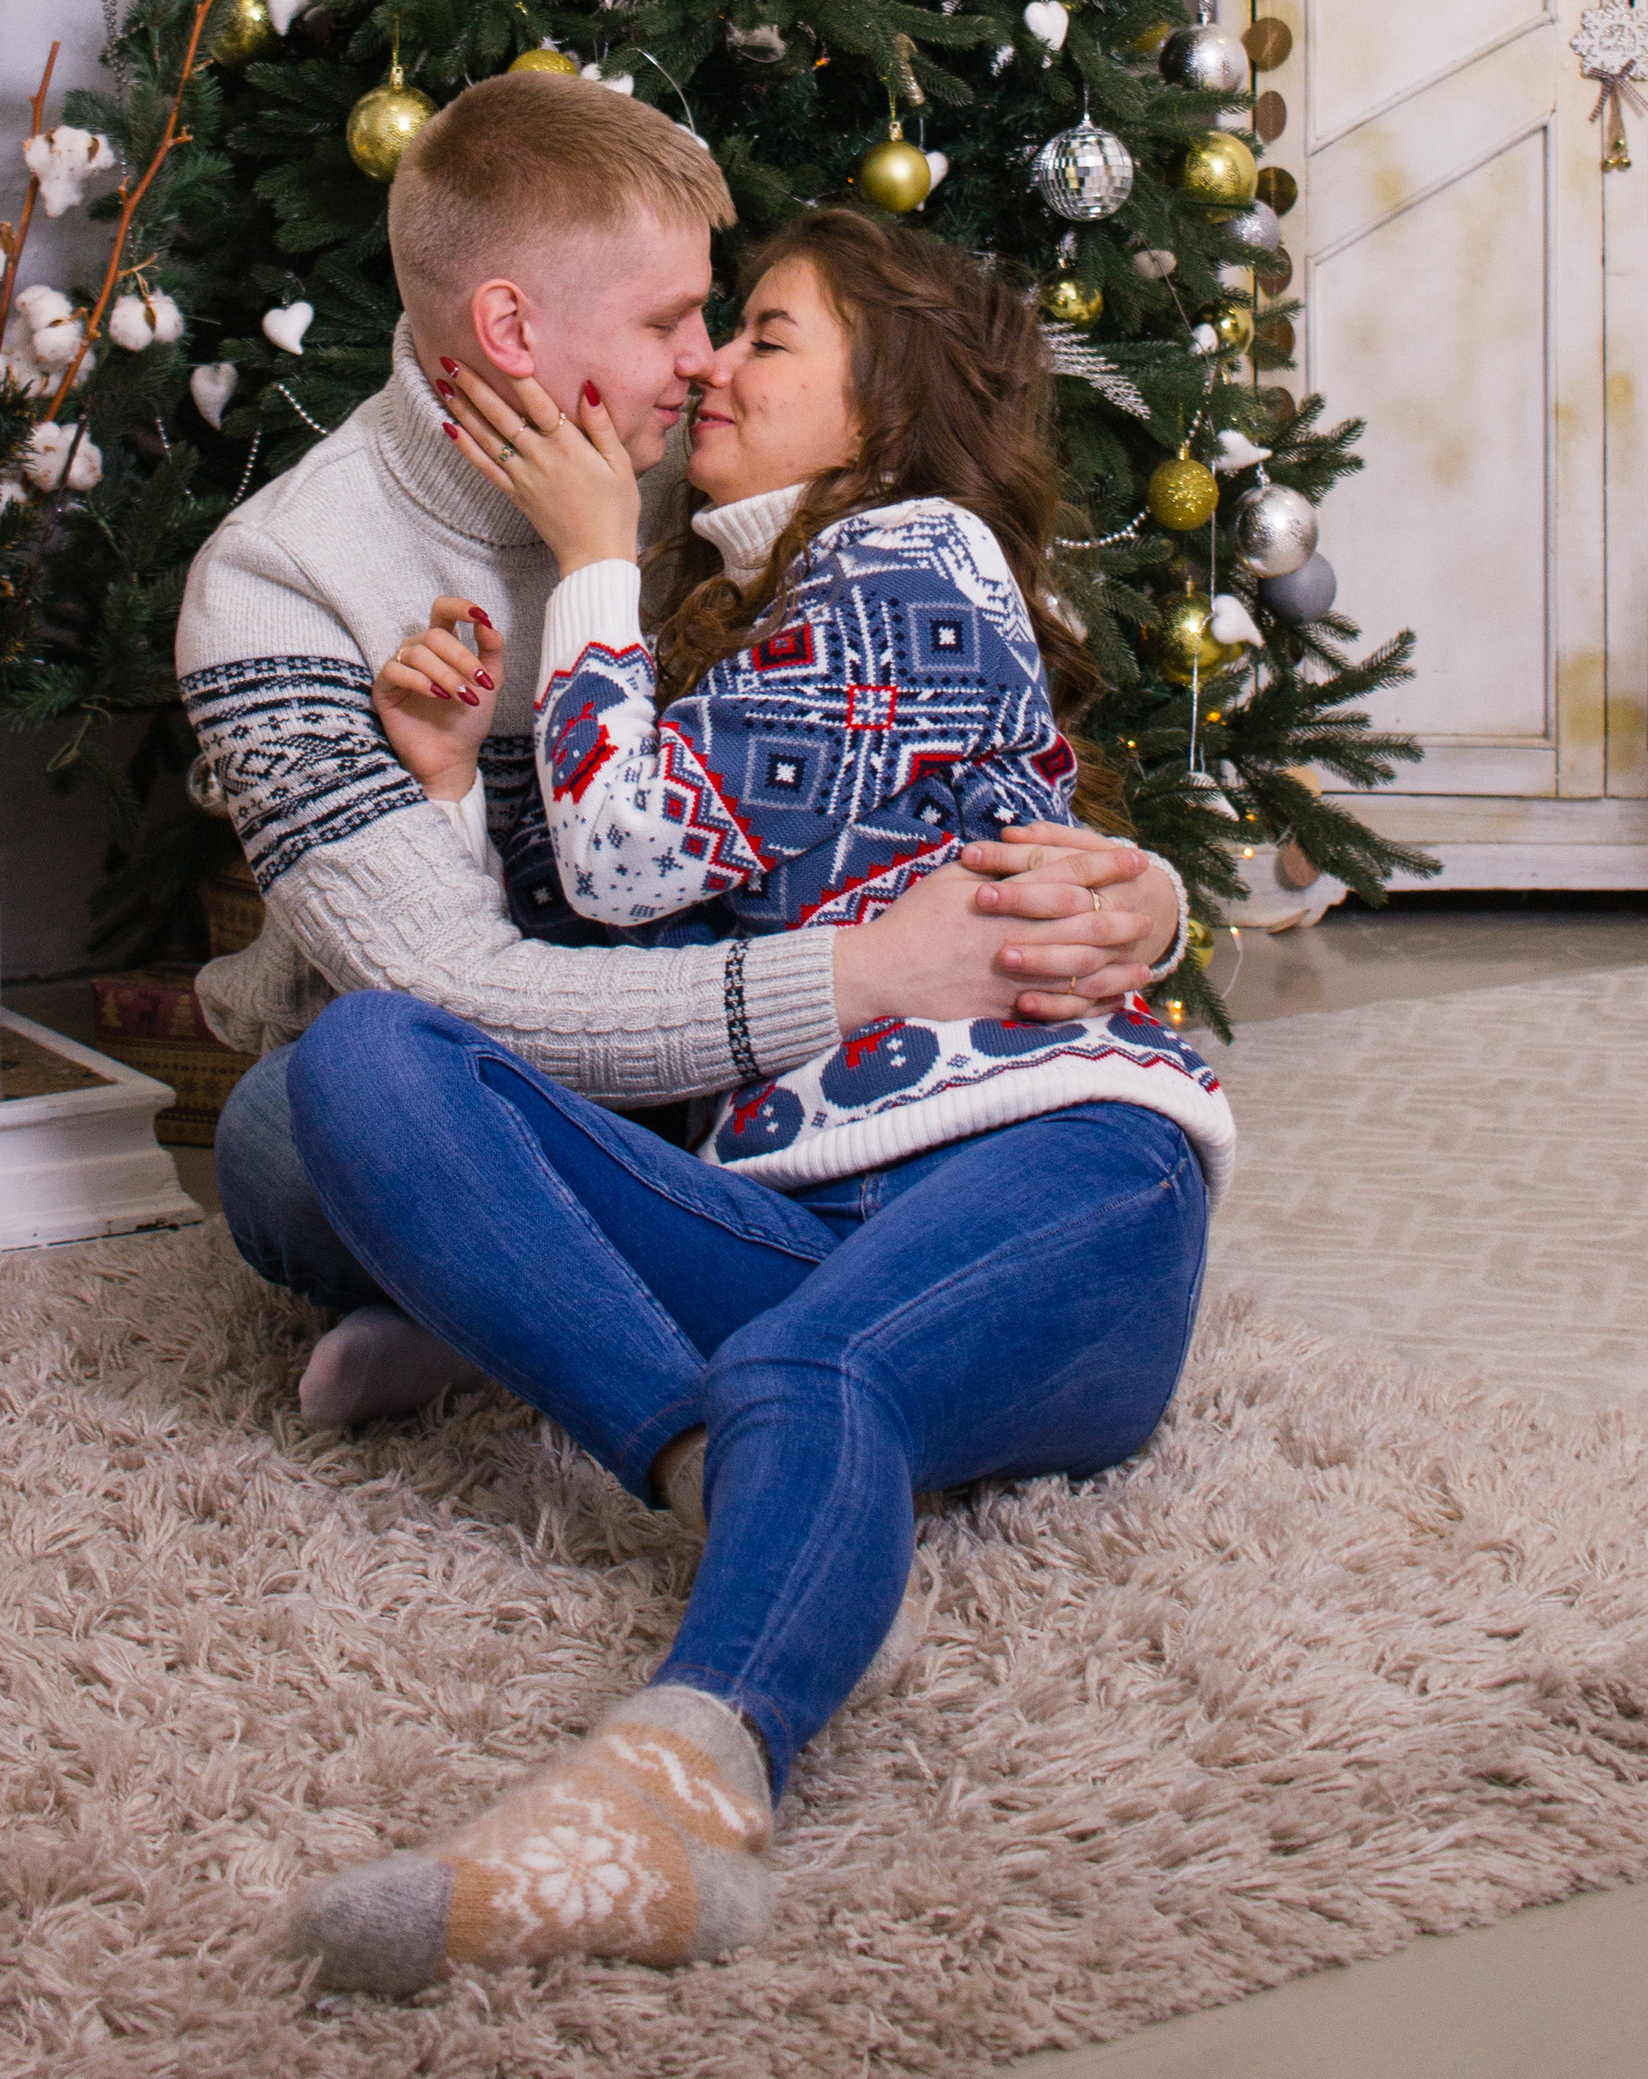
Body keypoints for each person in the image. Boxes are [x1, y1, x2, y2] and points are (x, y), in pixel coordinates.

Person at [284, 208, 1231, 1996]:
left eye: (770, 337)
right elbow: (579, 957)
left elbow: (628, 853)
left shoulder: (918, 557)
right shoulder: (771, 616)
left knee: (818, 1367)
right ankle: (736, 1461)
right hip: (812, 1203)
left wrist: (589, 562)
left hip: (1063, 1170)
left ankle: (672, 1804)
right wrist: (428, 784)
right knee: (367, 1061)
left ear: (886, 418)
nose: (713, 361)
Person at [178, 75, 1190, 1428]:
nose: (706, 359)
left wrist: (1135, 895)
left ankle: (537, 1317)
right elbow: (451, 992)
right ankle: (749, 1370)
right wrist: (870, 972)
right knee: (286, 1136)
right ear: (510, 326)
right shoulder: (279, 582)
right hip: (524, 1073)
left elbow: (944, 729)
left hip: (745, 1089)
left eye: (724, 320)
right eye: (671, 321)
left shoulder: (716, 473)